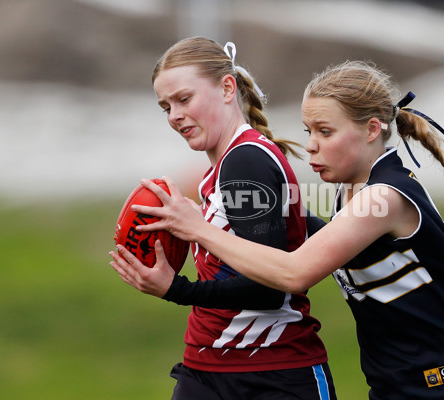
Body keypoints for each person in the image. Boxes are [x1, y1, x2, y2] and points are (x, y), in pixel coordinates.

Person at [116, 60, 444, 399]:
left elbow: (294, 273)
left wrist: (194, 244)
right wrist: (211, 213)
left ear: (371, 130)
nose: (311, 145)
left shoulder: (384, 198)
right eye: (308, 132)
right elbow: (280, 239)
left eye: (325, 132)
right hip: (403, 386)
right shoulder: (346, 196)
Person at [110, 37, 336, 400]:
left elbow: (269, 288)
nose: (174, 115)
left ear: (227, 88)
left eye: (184, 99)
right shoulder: (226, 165)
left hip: (269, 374)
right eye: (165, 106)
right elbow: (297, 229)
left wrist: (177, 287)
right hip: (208, 368)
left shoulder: (245, 161)